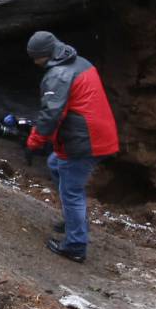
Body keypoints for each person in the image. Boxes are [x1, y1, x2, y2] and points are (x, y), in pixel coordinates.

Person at [24, 31, 119, 262]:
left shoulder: (59, 75)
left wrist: (34, 141)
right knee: (55, 163)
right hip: (97, 134)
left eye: (34, 58)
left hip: (84, 141)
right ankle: (73, 221)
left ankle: (75, 244)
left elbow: (51, 115)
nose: (34, 62)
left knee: (71, 190)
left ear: (43, 55)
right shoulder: (80, 63)